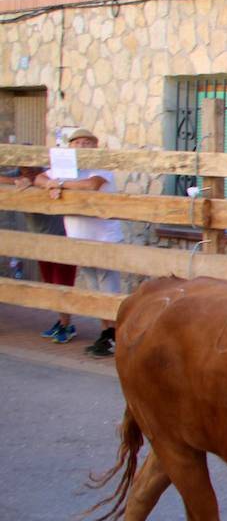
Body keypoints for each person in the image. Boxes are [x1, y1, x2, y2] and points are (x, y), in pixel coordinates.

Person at [32, 128, 122, 356]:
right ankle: (106, 334)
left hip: (103, 238)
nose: (81, 147)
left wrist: (59, 185)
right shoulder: (67, 169)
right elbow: (39, 177)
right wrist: (50, 183)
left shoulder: (101, 167)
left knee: (108, 288)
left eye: (86, 143)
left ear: (95, 146)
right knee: (94, 289)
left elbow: (91, 185)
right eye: (77, 143)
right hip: (80, 239)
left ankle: (115, 336)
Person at [1, 165, 76, 341]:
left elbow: (49, 181)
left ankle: (67, 325)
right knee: (50, 284)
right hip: (40, 242)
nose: (28, 171)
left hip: (60, 239)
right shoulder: (19, 175)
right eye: (24, 169)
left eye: (32, 169)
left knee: (62, 284)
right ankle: (62, 321)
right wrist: (16, 181)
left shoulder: (49, 174)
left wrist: (34, 182)